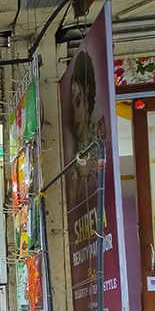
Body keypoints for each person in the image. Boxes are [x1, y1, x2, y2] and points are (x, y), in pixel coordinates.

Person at [67, 50, 99, 208]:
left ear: (87, 94)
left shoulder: (101, 145)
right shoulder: (73, 162)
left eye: (78, 102)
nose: (76, 116)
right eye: (72, 109)